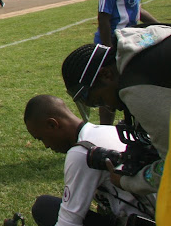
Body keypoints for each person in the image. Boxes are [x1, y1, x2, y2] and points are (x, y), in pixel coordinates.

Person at [62, 26, 171, 197]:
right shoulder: (143, 40)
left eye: (100, 101)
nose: (110, 108)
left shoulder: (136, 90)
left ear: (106, 75)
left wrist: (128, 182)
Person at [24, 95, 155, 226]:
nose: (45, 145)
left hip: (142, 223)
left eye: (41, 138)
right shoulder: (108, 131)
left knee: (45, 208)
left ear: (52, 124)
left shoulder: (82, 152)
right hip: (155, 217)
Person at [95, 0, 158, 125]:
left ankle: (135, 128)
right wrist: (108, 51)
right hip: (116, 44)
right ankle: (105, 132)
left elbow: (138, 10)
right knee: (111, 91)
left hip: (130, 43)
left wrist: (161, 26)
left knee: (132, 88)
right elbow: (103, 17)